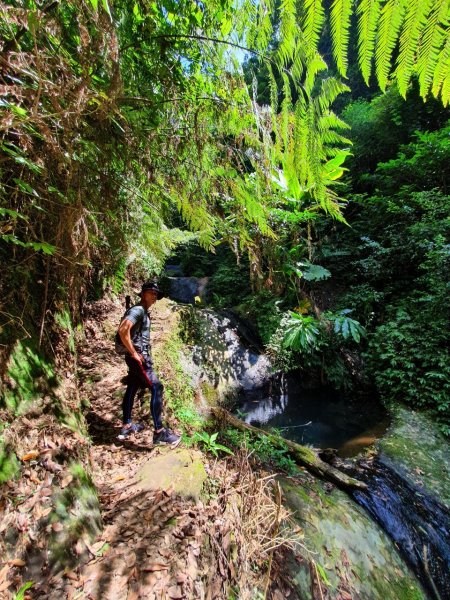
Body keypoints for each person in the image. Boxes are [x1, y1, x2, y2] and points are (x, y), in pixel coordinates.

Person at [117, 280, 180, 446]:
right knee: (156, 387)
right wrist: (134, 354)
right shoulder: (138, 310)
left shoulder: (143, 311)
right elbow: (123, 330)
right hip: (138, 357)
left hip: (136, 356)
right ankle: (159, 432)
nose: (154, 296)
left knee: (133, 385)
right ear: (143, 293)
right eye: (151, 293)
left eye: (156, 294)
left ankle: (127, 425)